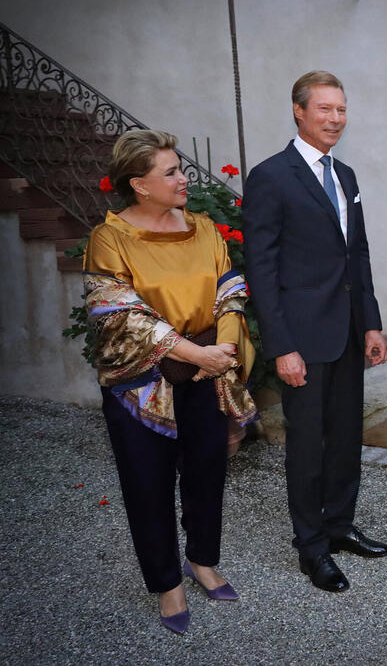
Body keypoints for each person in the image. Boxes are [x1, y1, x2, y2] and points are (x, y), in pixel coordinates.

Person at [83, 129, 258, 634]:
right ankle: (167, 583)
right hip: (141, 385)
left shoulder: (203, 227)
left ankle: (202, 559)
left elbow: (231, 288)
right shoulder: (110, 238)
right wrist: (192, 352)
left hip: (206, 372)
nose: (184, 178)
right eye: (171, 172)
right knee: (147, 485)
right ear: (139, 185)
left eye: (180, 168)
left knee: (207, 473)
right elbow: (118, 311)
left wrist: (220, 352)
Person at [243, 71, 387, 594]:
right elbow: (260, 270)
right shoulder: (271, 176)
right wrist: (282, 347)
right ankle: (311, 546)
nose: (335, 119)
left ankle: (340, 525)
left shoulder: (346, 176)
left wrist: (371, 322)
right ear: (299, 111)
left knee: (347, 437)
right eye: (325, 109)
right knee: (307, 445)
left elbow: (359, 255)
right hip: (302, 340)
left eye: (342, 110)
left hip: (349, 333)